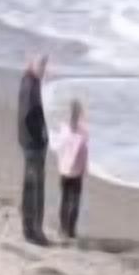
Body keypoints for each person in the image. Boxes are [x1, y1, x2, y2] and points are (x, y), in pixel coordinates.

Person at [16, 54, 52, 244]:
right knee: (35, 188)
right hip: (32, 144)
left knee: (30, 187)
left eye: (45, 65)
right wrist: (42, 136)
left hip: (28, 141)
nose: (44, 69)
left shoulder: (28, 80)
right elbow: (29, 116)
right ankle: (34, 231)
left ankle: (29, 228)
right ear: (31, 64)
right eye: (41, 65)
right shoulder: (31, 85)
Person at [54, 96, 91, 243]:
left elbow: (58, 148)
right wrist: (84, 169)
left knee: (64, 199)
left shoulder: (64, 129)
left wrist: (61, 163)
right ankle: (71, 230)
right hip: (76, 172)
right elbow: (84, 153)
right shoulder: (83, 133)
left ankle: (63, 228)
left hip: (64, 170)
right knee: (74, 200)